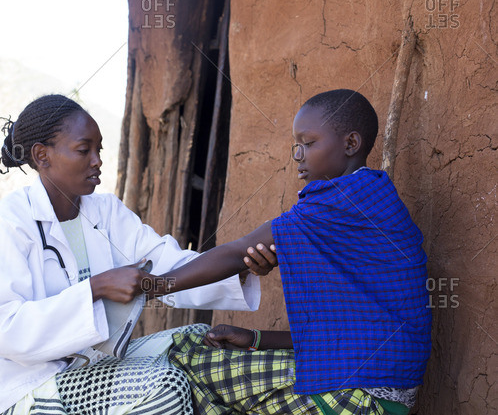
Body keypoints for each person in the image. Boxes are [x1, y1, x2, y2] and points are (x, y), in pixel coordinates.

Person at [0, 94, 277, 415]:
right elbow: (1, 332)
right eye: (84, 150)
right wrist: (96, 288)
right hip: (24, 385)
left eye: (99, 150)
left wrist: (241, 264)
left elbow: (169, 267)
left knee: (198, 341)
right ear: (42, 156)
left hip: (89, 367)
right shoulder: (4, 222)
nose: (97, 160)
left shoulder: (106, 211)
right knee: (164, 388)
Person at [146, 89, 432, 415]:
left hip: (362, 394)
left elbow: (240, 250)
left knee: (186, 363)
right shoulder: (370, 193)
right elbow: (350, 332)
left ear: (351, 144)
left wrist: (154, 286)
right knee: (197, 346)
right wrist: (255, 339)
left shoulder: (339, 200)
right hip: (380, 387)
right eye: (297, 146)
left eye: (309, 144)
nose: (299, 155)